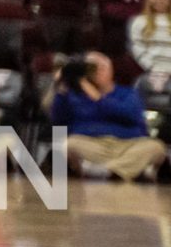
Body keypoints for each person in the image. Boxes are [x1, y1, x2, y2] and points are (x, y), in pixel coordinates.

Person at [50, 52, 169, 181]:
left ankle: (107, 171)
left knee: (156, 148)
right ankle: (123, 171)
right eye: (92, 68)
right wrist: (62, 87)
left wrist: (96, 97)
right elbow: (58, 121)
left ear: (111, 71)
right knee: (67, 145)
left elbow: (128, 114)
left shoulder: (127, 93)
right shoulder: (75, 95)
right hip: (91, 145)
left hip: (127, 145)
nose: (98, 71)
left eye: (102, 67)